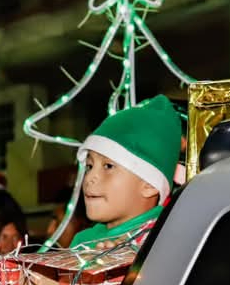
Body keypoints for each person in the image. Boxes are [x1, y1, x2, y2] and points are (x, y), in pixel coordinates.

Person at [70, 94, 182, 249]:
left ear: (149, 184)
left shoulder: (164, 240)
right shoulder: (82, 240)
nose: (90, 178)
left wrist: (121, 268)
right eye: (89, 166)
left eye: (108, 166)